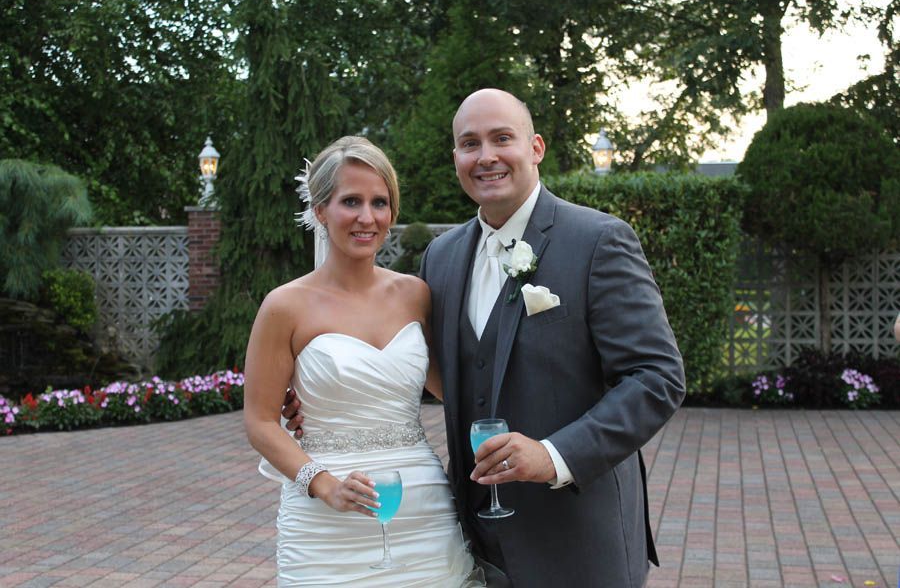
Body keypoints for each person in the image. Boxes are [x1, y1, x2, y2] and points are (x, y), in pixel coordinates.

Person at [286, 89, 685, 587]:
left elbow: (656, 378)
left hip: (577, 537)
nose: (486, 156)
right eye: (469, 144)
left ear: (535, 147)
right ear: (456, 157)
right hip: (467, 538)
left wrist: (554, 455)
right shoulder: (442, 258)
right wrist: (321, 395)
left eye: (502, 139)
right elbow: (434, 373)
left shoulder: (599, 241)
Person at [244, 136, 483, 586]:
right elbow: (259, 422)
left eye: (380, 202)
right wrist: (324, 484)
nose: (367, 217)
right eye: (350, 201)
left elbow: (453, 388)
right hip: (326, 521)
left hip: (420, 509)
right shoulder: (284, 306)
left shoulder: (416, 294)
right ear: (320, 210)